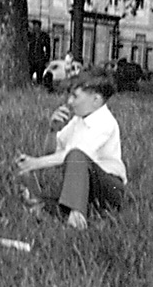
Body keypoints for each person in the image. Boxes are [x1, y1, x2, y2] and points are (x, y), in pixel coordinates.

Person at [15, 71, 127, 230]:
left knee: (76, 155)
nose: (70, 101)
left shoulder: (105, 123)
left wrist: (35, 163)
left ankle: (77, 217)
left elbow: (73, 155)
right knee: (42, 203)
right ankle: (56, 208)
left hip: (109, 188)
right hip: (85, 187)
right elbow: (52, 154)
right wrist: (53, 130)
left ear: (96, 100)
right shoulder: (78, 120)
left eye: (75, 96)